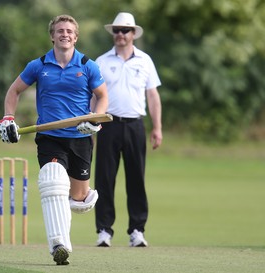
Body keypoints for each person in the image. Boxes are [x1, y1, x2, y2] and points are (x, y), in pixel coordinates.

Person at [0, 15, 108, 265]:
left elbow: (102, 96)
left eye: (69, 31)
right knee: (52, 181)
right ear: (52, 35)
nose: (65, 34)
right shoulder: (38, 65)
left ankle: (80, 197)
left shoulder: (87, 65)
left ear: (76, 36)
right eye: (60, 30)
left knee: (79, 202)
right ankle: (59, 245)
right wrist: (8, 117)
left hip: (79, 137)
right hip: (49, 136)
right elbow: (14, 91)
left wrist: (95, 117)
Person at [94, 12, 163, 247]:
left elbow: (152, 95)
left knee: (136, 179)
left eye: (125, 30)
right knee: (104, 178)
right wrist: (92, 124)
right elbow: (93, 96)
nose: (120, 34)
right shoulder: (102, 62)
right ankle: (104, 230)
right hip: (107, 124)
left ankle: (137, 230)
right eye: (116, 30)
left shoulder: (144, 60)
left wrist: (157, 127)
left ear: (133, 34)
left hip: (134, 125)